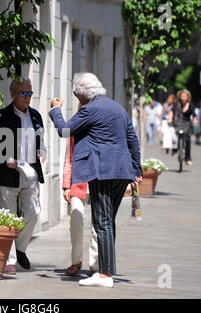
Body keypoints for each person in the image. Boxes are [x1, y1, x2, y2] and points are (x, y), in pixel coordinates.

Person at [49, 72, 142, 288]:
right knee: (108, 221)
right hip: (121, 171)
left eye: (75, 93)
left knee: (102, 222)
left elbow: (65, 130)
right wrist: (136, 170)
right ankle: (104, 271)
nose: (75, 97)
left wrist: (55, 110)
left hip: (103, 171)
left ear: (81, 93)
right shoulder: (117, 108)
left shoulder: (91, 108)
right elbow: (132, 139)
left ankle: (105, 275)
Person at [0, 77, 47, 275]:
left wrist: (42, 151)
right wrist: (4, 160)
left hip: (30, 173)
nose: (27, 97)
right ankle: (10, 259)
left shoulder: (36, 116)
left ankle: (20, 248)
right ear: (12, 94)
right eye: (23, 93)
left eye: (30, 93)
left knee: (34, 212)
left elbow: (41, 141)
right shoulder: (0, 117)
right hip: (7, 174)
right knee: (8, 217)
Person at [62, 116, 98, 277]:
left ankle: (95, 264)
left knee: (98, 225)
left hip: (99, 180)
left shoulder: (101, 127)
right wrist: (66, 185)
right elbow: (69, 156)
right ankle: (76, 260)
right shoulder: (74, 127)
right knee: (76, 220)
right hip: (78, 180)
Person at [168, 89, 198, 166]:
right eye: (182, 96)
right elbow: (172, 111)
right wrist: (170, 118)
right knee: (175, 136)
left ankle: (188, 158)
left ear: (188, 97)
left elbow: (194, 114)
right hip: (178, 122)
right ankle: (175, 149)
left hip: (187, 123)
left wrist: (195, 119)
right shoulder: (177, 103)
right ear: (180, 96)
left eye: (185, 96)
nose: (183, 97)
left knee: (188, 140)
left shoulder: (190, 104)